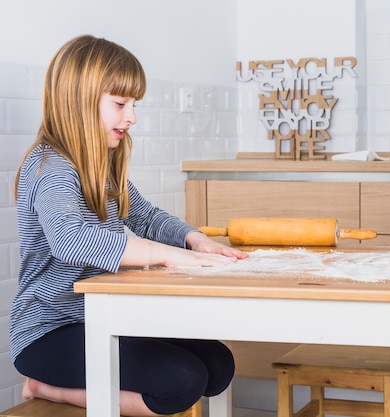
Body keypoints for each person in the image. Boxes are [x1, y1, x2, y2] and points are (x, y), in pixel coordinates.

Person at [11, 35, 249, 417]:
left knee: (219, 365)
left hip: (103, 317)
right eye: (121, 104)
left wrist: (195, 240)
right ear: (79, 101)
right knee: (182, 382)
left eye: (134, 105)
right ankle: (46, 388)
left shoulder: (102, 166)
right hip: (49, 332)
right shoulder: (49, 168)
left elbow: (146, 217)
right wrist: (166, 257)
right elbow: (71, 240)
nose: (132, 117)